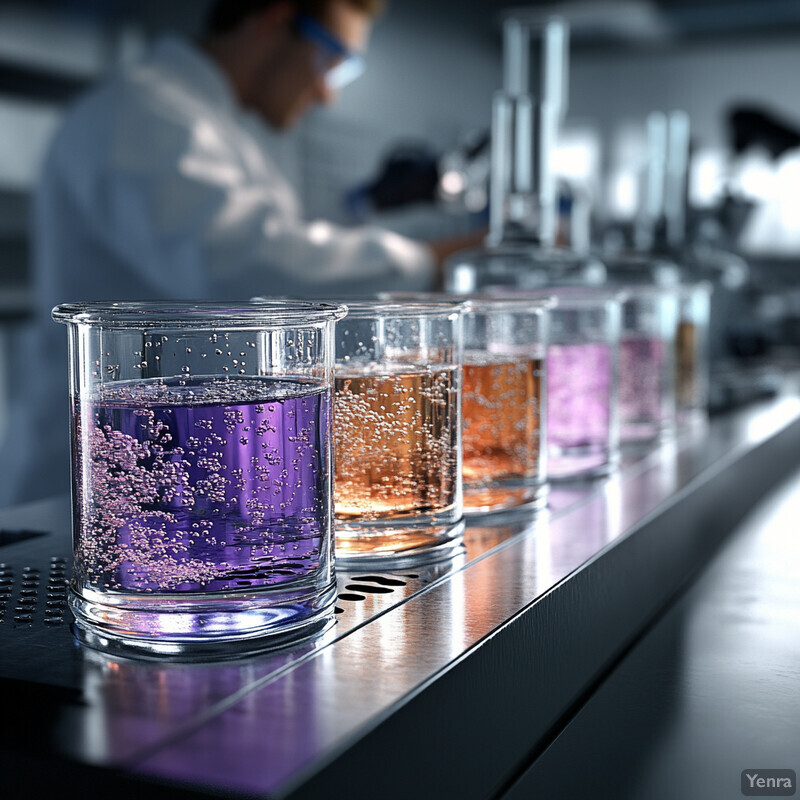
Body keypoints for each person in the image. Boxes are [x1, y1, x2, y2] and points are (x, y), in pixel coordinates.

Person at [0, 0, 482, 507]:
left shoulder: (204, 120)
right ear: (273, 20)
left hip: (173, 479)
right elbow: (246, 267)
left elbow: (264, 239)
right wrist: (443, 259)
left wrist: (366, 205)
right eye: (332, 61)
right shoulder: (142, 111)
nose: (325, 94)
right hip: (98, 490)